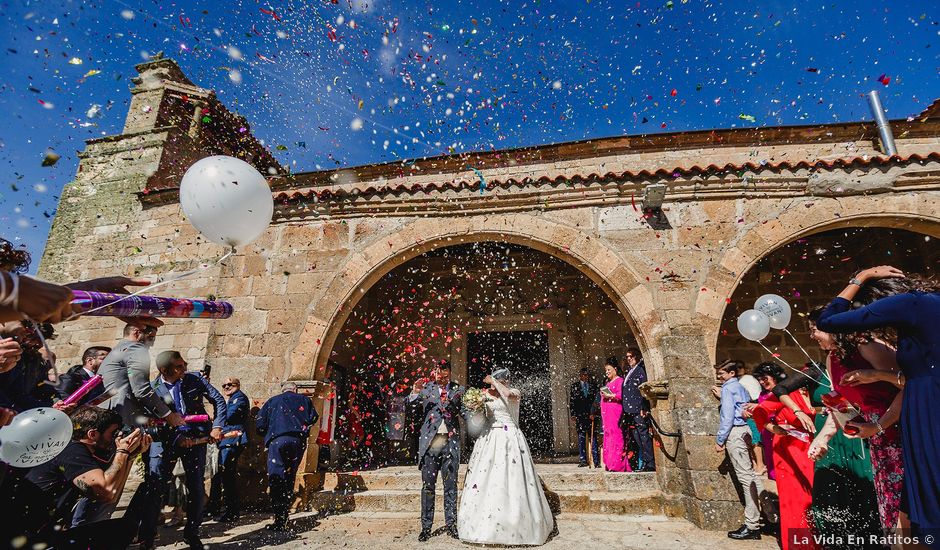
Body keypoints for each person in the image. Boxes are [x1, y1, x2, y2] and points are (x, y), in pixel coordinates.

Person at [816, 266, 939, 544]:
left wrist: (860, 277)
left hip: (927, 409)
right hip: (926, 402)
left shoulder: (909, 303)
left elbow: (829, 320)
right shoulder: (932, 304)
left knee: (928, 499)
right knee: (914, 508)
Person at [9, 406, 151, 549]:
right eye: (113, 433)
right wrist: (122, 452)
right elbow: (106, 491)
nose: (117, 438)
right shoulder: (70, 450)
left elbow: (112, 494)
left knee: (120, 529)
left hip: (41, 534)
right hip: (24, 539)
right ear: (92, 434)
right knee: (118, 531)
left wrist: (130, 456)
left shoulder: (75, 447)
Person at [802, 312, 884, 548]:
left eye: (814, 328)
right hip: (876, 436)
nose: (811, 335)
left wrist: (879, 424)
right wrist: (823, 438)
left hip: (898, 432)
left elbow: (906, 384)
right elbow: (843, 404)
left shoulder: (867, 347)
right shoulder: (832, 359)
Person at [136, 350, 226, 550]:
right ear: (163, 370)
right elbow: (148, 422)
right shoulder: (152, 390)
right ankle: (147, 538)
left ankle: (192, 533)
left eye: (184, 364)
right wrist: (177, 437)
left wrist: (218, 426)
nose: (184, 369)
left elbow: (218, 400)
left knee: (196, 488)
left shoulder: (194, 380)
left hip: (196, 441)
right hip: (165, 442)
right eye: (178, 367)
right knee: (155, 488)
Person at [457, 368, 554, 545]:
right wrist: (475, 407)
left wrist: (494, 382)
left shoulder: (514, 392)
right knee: (489, 479)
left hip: (510, 438)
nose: (505, 382)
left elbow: (507, 395)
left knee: (512, 477)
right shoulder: (484, 396)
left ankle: (518, 524)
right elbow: (479, 421)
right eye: (502, 379)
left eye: (504, 379)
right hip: (489, 438)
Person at [751, 378, 816, 550]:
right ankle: (797, 544)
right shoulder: (786, 395)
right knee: (795, 497)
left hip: (808, 448)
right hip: (788, 449)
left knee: (809, 495)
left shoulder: (815, 395)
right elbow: (759, 412)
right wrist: (773, 429)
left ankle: (813, 539)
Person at [408, 360, 465, 541]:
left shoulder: (458, 389)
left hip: (450, 442)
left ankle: (451, 524)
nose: (442, 373)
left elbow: (465, 413)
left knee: (450, 486)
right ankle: (426, 527)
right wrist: (414, 393)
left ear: (449, 371)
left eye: (445, 369)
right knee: (428, 487)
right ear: (434, 372)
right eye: (439, 370)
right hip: (430, 444)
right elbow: (413, 410)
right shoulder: (426, 389)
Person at [98, 319, 185, 430]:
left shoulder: (119, 349)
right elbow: (141, 390)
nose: (152, 344)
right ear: (137, 332)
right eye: (151, 338)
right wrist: (168, 415)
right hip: (121, 417)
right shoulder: (136, 349)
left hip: (108, 414)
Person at [256, 381, 318, 532]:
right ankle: (285, 514)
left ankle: (280, 518)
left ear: (283, 390)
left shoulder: (273, 401)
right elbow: (314, 418)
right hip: (298, 442)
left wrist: (267, 432)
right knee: (290, 475)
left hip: (278, 440)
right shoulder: (305, 400)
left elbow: (260, 424)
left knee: (277, 477)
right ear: (295, 389)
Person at [715, 360, 763, 540]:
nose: (719, 377)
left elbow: (728, 416)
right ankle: (770, 513)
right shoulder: (741, 387)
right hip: (745, 429)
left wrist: (720, 439)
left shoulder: (728, 388)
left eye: (722, 374)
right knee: (750, 475)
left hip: (735, 432)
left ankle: (752, 525)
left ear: (732, 373)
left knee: (745, 478)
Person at [209, 377, 250, 521]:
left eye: (229, 384)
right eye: (224, 385)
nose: (226, 387)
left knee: (227, 476)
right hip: (226, 441)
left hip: (232, 440)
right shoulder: (232, 399)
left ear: (237, 385)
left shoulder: (239, 398)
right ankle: (215, 507)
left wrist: (214, 423)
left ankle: (232, 511)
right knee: (222, 475)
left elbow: (229, 416)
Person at [621, 348, 655, 472]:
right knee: (637, 437)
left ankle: (650, 463)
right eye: (627, 356)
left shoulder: (640, 370)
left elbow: (643, 389)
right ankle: (644, 461)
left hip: (638, 409)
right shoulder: (629, 371)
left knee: (644, 435)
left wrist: (643, 407)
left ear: (637, 356)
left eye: (631, 356)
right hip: (630, 410)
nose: (629, 358)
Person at [751, 362, 786, 480]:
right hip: (767, 432)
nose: (762, 382)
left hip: (782, 431)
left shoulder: (784, 391)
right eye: (759, 380)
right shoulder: (762, 394)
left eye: (764, 378)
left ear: (774, 377)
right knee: (772, 464)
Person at [600, 357, 629, 472]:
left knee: (616, 438)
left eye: (609, 370)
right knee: (608, 438)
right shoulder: (607, 382)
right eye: (606, 370)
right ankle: (610, 464)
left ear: (615, 369)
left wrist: (610, 395)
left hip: (615, 415)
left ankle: (617, 465)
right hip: (607, 417)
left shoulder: (620, 381)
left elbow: (621, 396)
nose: (607, 372)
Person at [569, 367, 600, 467]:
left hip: (591, 415)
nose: (585, 377)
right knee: (581, 437)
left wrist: (594, 412)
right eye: (583, 375)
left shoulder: (594, 386)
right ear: (580, 375)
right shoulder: (574, 386)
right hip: (580, 415)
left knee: (593, 437)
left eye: (587, 375)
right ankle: (582, 460)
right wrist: (573, 414)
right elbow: (572, 401)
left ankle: (596, 461)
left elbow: (596, 401)